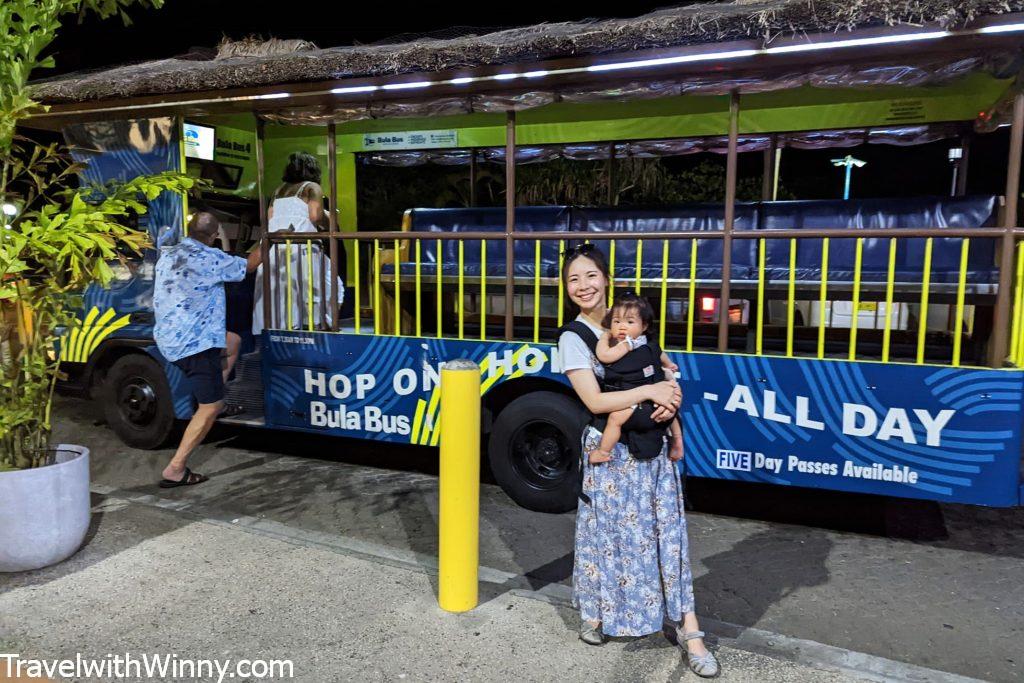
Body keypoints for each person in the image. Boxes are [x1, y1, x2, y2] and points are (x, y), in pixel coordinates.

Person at [557, 243, 719, 678]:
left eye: (590, 275)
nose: (582, 286)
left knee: (670, 536)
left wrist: (672, 396)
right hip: (612, 453)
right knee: (604, 537)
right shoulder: (573, 338)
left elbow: (663, 370)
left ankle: (690, 630)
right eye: (573, 279)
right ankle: (596, 613)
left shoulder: (631, 319)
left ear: (606, 278)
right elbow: (593, 397)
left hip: (652, 446)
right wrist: (649, 394)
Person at [153, 212, 261, 488]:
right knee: (211, 405)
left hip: (169, 338)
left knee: (233, 342)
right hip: (195, 344)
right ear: (214, 236)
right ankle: (176, 469)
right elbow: (250, 265)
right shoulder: (210, 258)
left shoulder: (168, 254)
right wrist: (270, 239)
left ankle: (213, 398)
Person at [252, 151, 343, 334]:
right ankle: (319, 329)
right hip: (302, 248)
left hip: (274, 249)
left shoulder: (278, 191)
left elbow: (271, 218)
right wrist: (331, 221)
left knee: (281, 297)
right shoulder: (312, 188)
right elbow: (315, 216)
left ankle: (277, 335)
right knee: (328, 287)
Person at [586, 292, 682, 465]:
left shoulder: (627, 344)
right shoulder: (646, 342)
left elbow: (605, 356)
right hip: (656, 394)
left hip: (638, 399)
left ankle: (603, 451)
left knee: (615, 419)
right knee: (671, 411)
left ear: (644, 325)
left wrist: (605, 336)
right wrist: (669, 365)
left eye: (630, 322)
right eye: (616, 322)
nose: (622, 327)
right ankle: (677, 441)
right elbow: (659, 353)